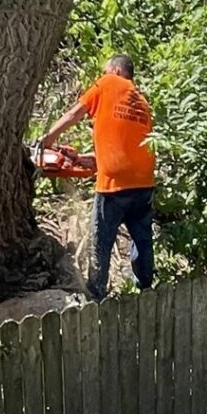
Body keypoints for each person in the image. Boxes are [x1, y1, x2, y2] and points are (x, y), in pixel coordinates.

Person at [42, 54, 155, 301]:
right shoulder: (142, 103)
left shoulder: (107, 82)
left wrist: (46, 140)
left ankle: (97, 294)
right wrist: (87, 159)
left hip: (114, 186)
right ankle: (146, 289)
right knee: (142, 238)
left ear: (114, 70)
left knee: (101, 241)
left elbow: (75, 114)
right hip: (144, 183)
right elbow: (128, 150)